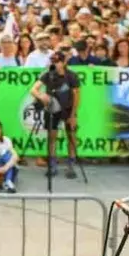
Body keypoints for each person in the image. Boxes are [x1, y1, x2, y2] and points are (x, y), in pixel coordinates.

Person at [30, 51, 80, 179]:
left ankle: (71, 164)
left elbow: (76, 96)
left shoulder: (72, 76)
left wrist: (73, 115)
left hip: (68, 109)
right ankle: (52, 163)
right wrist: (42, 96)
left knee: (71, 136)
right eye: (53, 61)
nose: (55, 64)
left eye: (57, 61)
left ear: (64, 62)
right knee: (52, 137)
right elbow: (33, 89)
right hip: (53, 109)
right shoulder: (48, 74)